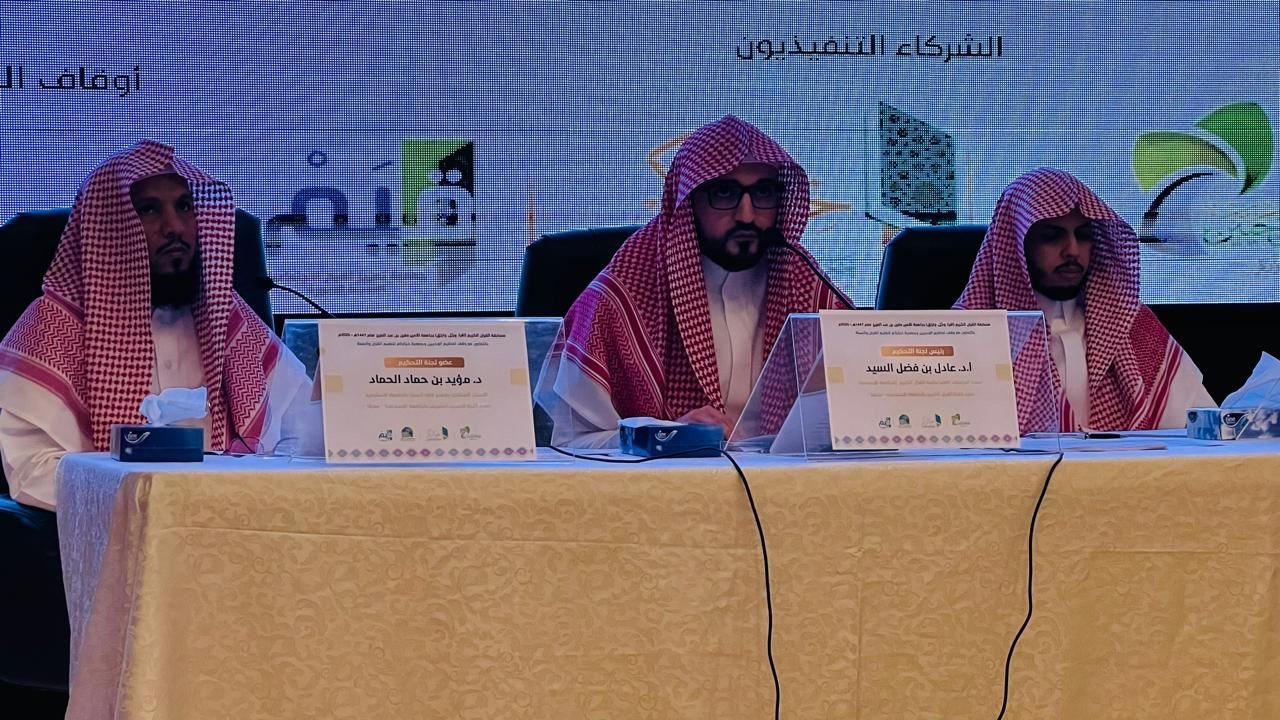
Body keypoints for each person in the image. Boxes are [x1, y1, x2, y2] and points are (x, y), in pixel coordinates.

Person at [0, 139, 322, 508]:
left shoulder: (230, 322)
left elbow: (302, 433)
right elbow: (32, 470)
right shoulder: (54, 327)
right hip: (115, 526)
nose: (175, 227)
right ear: (109, 226)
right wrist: (158, 499)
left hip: (235, 517)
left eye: (184, 206)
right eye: (149, 209)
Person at [536, 115, 849, 447]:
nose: (747, 214)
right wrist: (665, 435)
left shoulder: (804, 284)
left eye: (763, 192)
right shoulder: (624, 293)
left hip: (788, 477)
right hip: (666, 479)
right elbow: (568, 442)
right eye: (724, 192)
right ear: (689, 200)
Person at [955, 167, 1214, 432]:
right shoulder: (968, 335)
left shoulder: (1129, 324)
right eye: (1052, 236)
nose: (1073, 250)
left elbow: (1205, 427)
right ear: (1017, 244)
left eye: (1083, 235)